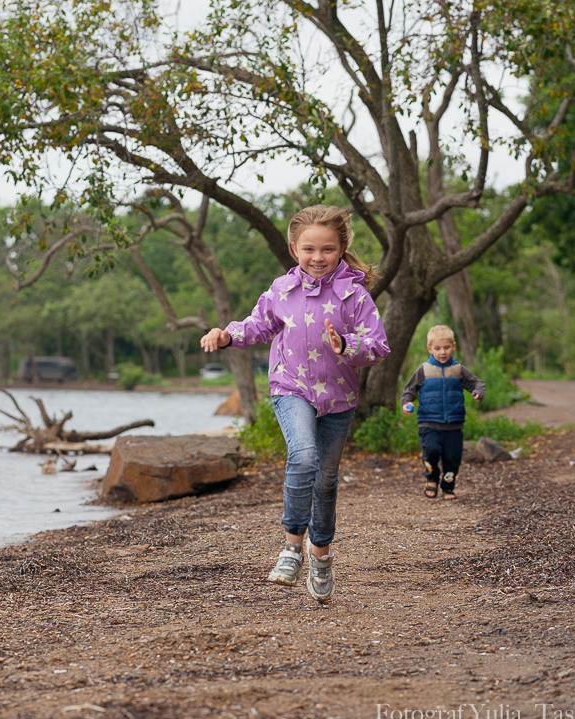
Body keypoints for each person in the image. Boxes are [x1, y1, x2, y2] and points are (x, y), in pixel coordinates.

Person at [200, 204, 389, 603]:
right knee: (303, 457)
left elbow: (378, 345)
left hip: (339, 398)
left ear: (341, 249)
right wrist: (227, 334)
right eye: (309, 250)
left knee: (325, 480)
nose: (317, 258)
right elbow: (257, 325)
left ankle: (320, 554)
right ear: (293, 249)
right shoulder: (281, 291)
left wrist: (347, 344)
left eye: (327, 250)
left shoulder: (354, 295)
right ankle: (290, 549)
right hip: (291, 387)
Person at [400, 324, 485, 501]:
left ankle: (448, 486)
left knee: (452, 457)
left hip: (454, 423)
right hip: (428, 422)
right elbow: (409, 390)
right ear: (430, 349)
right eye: (437, 348)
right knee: (430, 451)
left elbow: (477, 383)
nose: (443, 352)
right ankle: (431, 478)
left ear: (453, 346)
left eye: (446, 347)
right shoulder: (424, 369)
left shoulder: (458, 369)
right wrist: (407, 402)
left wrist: (478, 392)